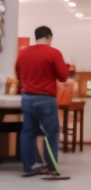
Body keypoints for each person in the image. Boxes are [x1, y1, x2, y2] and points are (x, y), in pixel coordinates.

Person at [15, 26, 69, 177]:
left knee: (28, 132)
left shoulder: (23, 53)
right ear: (49, 37)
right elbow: (63, 76)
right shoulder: (53, 53)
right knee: (52, 132)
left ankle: (29, 167)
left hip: (27, 98)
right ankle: (51, 167)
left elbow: (18, 74)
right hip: (45, 99)